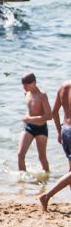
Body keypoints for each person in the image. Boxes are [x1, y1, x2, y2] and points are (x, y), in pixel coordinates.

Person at [40, 80, 71, 211]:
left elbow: (54, 112)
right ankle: (47, 195)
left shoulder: (63, 87)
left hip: (66, 130)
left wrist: (59, 132)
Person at [18, 73, 51, 172]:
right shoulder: (26, 93)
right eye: (23, 84)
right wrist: (28, 117)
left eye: (27, 84)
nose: (24, 87)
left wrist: (30, 119)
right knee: (20, 154)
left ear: (34, 83)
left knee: (42, 157)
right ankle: (22, 182)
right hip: (29, 127)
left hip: (41, 129)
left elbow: (49, 116)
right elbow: (32, 109)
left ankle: (47, 180)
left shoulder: (42, 95)